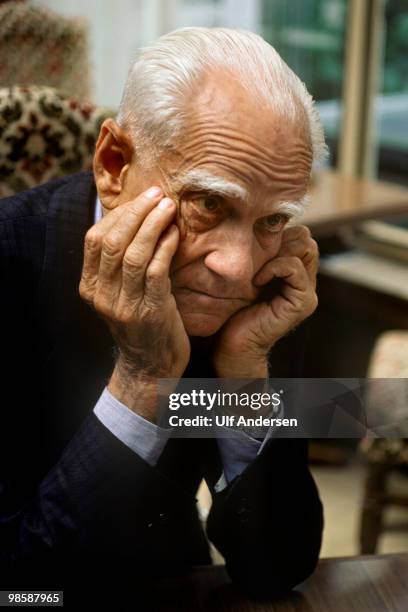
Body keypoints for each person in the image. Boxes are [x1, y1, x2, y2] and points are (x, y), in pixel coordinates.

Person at [0, 27, 324, 606]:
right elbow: (21, 593)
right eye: (208, 202)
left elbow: (279, 568)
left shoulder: (267, 282)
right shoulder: (8, 257)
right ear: (114, 163)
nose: (236, 267)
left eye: (272, 219)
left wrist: (245, 374)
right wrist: (141, 382)